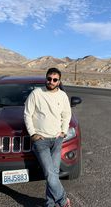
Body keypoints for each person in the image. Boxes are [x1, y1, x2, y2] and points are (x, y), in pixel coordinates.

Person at [24, 68, 72, 207]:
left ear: (59, 81)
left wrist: (63, 131)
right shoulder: (36, 94)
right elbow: (27, 114)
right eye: (49, 79)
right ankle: (63, 200)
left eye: (55, 79)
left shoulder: (62, 95)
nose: (51, 82)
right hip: (41, 141)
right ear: (46, 79)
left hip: (57, 139)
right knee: (50, 174)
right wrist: (33, 133)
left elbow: (66, 114)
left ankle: (50, 203)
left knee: (54, 174)